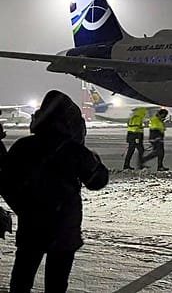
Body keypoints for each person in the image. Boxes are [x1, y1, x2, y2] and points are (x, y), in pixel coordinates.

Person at [0, 90, 108, 293]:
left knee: (22, 278)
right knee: (57, 283)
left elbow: (5, 183)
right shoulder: (74, 150)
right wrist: (94, 161)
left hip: (32, 225)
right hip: (64, 228)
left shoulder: (24, 146)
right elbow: (97, 181)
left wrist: (23, 208)